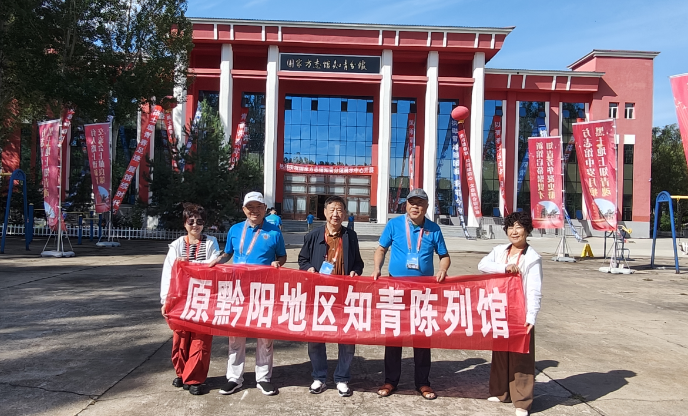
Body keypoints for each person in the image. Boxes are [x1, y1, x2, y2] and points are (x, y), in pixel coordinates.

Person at [371, 188, 450, 400]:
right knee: (394, 336)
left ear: (426, 206)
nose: (415, 206)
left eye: (420, 203)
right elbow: (381, 249)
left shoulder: (433, 229)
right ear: (405, 205)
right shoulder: (394, 225)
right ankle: (390, 380)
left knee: (422, 337)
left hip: (423, 292)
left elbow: (444, 255)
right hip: (396, 290)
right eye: (411, 202)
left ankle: (423, 382)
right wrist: (377, 268)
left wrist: (443, 269)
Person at [209, 191, 287, 397]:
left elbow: (282, 255)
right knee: (236, 334)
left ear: (265, 209)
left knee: (265, 335)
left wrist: (278, 262)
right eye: (250, 207)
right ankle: (234, 378)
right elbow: (228, 253)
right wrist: (218, 261)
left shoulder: (274, 231)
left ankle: (263, 378)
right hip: (238, 290)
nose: (254, 211)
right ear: (244, 209)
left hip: (264, 290)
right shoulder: (235, 230)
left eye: (258, 207)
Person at [298, 196, 364, 397]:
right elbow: (303, 259)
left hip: (344, 296)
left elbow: (358, 262)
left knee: (347, 339)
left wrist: (355, 271)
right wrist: (309, 269)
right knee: (316, 338)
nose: (336, 214)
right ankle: (319, 377)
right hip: (319, 296)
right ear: (325, 212)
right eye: (332, 210)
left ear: (344, 214)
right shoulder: (313, 235)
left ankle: (342, 378)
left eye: (340, 210)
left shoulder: (350, 236)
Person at [477, 211, 542, 416]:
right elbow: (482, 265)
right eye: (511, 227)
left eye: (519, 227)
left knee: (521, 356)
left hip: (519, 312)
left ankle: (522, 401)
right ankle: (500, 392)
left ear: (527, 230)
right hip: (499, 309)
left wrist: (531, 316)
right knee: (500, 353)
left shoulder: (532, 257)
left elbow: (534, 289)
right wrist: (505, 267)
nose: (514, 232)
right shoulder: (499, 251)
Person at [160, 203, 222, 395]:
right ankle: (181, 373)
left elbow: (213, 266)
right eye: (191, 221)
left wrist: (189, 265)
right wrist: (165, 300)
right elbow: (168, 273)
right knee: (180, 338)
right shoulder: (177, 245)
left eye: (200, 221)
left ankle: (194, 378)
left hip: (203, 298)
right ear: (185, 223)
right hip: (180, 299)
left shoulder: (211, 243)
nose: (195, 225)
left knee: (200, 339)